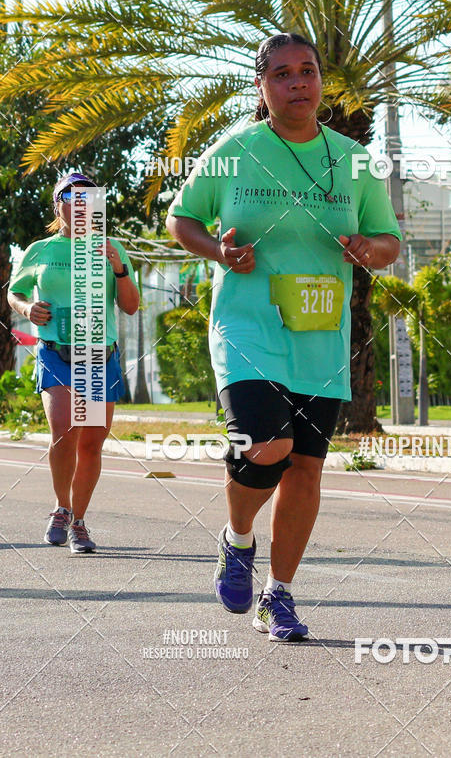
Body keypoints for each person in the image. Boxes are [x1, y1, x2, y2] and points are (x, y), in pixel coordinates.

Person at [166, 33, 401, 641]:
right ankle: (236, 540)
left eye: (308, 71)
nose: (298, 83)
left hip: (321, 333)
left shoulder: (355, 160)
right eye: (283, 74)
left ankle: (281, 594)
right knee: (266, 445)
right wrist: (217, 250)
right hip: (247, 325)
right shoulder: (236, 149)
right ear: (261, 85)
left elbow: (388, 242)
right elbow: (181, 218)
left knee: (306, 469)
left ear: (321, 80)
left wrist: (366, 249)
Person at [8, 172, 140, 553]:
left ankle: (78, 521)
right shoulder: (39, 250)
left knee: (92, 444)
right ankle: (61, 508)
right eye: (72, 196)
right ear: (58, 204)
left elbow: (130, 306)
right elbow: (15, 294)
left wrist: (118, 267)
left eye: (89, 197)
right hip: (57, 353)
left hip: (100, 356)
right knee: (65, 432)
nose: (81, 203)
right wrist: (27, 308)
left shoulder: (112, 247)